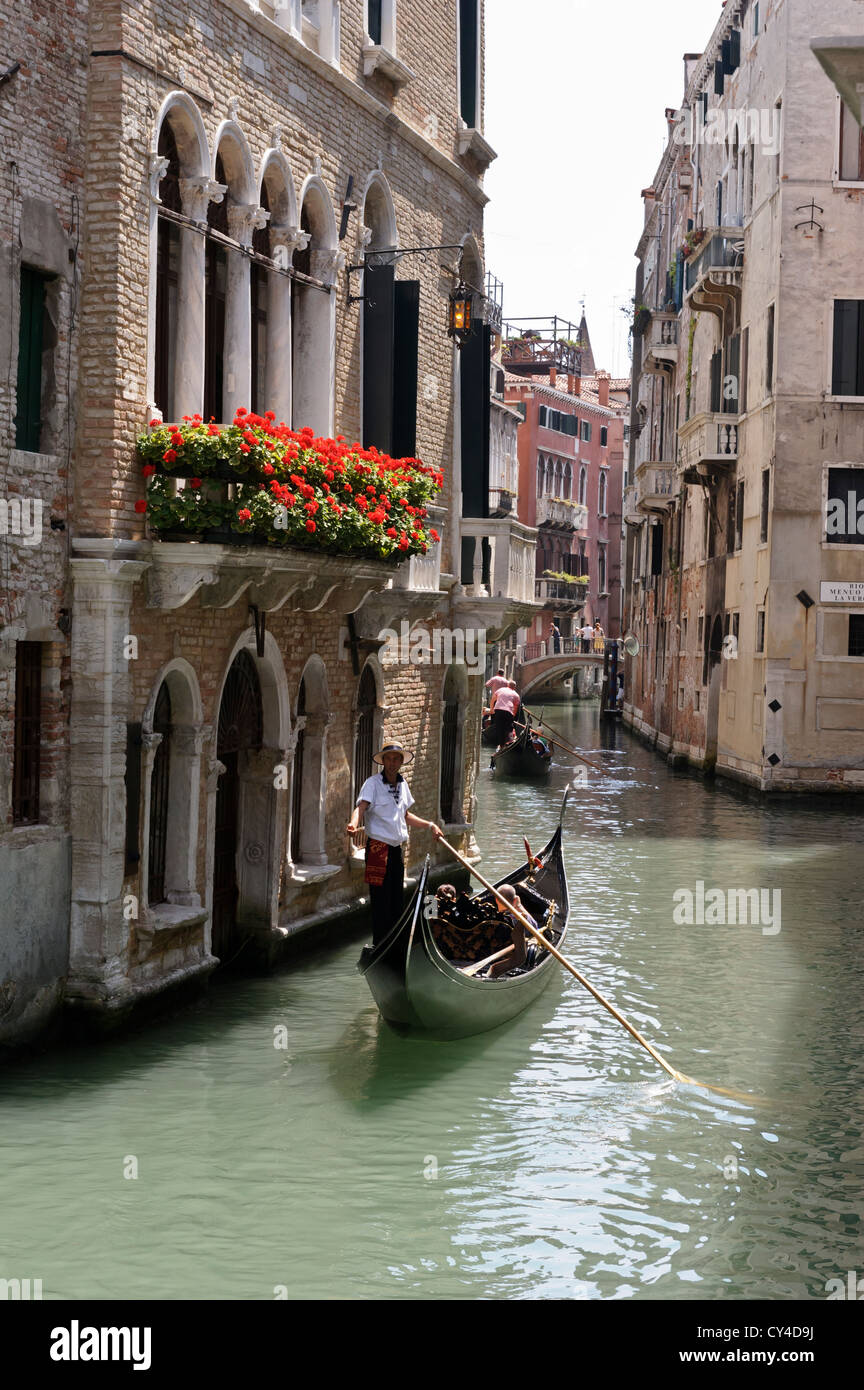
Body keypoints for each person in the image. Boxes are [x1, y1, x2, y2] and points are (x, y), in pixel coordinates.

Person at [346, 741, 443, 946]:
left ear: (400, 762)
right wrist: (353, 823)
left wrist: (430, 825)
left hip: (396, 849)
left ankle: (396, 942)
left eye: (395, 759)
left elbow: (405, 815)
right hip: (378, 849)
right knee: (380, 900)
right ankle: (380, 943)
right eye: (388, 759)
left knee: (396, 898)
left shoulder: (403, 784)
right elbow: (361, 808)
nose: (392, 762)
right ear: (383, 761)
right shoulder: (372, 783)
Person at [484, 884, 538, 979]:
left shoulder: (485, 918)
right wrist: (519, 906)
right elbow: (534, 928)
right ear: (514, 900)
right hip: (507, 961)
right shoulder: (518, 921)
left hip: (482, 956)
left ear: (496, 900)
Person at [489, 680, 521, 746]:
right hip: (508, 711)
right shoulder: (516, 695)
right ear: (514, 687)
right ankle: (509, 742)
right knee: (509, 728)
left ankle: (501, 746)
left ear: (508, 685)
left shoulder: (501, 690)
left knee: (500, 729)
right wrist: (513, 715)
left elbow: (493, 699)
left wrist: (491, 709)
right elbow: (515, 707)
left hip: (498, 710)